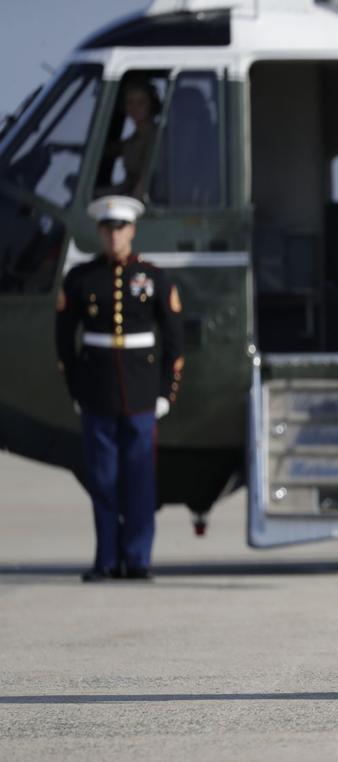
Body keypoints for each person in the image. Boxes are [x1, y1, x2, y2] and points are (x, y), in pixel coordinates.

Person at [55, 195, 185, 582]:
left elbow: (174, 340)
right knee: (103, 480)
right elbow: (64, 340)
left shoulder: (153, 277)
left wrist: (166, 392)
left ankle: (138, 559)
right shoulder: (81, 279)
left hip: (142, 393)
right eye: (108, 228)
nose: (114, 235)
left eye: (121, 228)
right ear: (99, 232)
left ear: (132, 230)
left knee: (140, 481)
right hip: (97, 392)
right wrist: (76, 389)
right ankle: (107, 560)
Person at [102, 79, 161, 198]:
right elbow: (128, 183)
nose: (134, 107)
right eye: (130, 102)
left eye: (140, 103)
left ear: (151, 104)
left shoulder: (156, 138)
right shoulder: (133, 139)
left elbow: (145, 182)